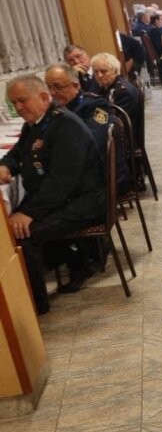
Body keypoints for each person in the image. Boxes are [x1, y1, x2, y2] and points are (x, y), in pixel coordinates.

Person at [0, 76, 105, 313]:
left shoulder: (64, 125)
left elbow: (61, 182)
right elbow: (18, 153)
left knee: (24, 235)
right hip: (64, 198)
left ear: (45, 97)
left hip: (84, 201)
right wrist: (6, 166)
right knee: (10, 225)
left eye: (22, 100)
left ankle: (36, 305)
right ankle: (64, 261)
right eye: (14, 102)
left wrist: (28, 212)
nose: (18, 107)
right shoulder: (37, 123)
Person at [44, 63, 131, 197]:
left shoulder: (95, 106)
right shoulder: (55, 110)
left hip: (102, 180)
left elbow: (92, 143)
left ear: (76, 86)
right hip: (78, 175)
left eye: (57, 87)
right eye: (48, 87)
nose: (52, 93)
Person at [91, 52, 140, 122]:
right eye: (95, 71)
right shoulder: (101, 86)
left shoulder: (123, 92)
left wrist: (90, 114)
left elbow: (114, 121)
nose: (99, 75)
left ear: (115, 71)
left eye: (103, 71)